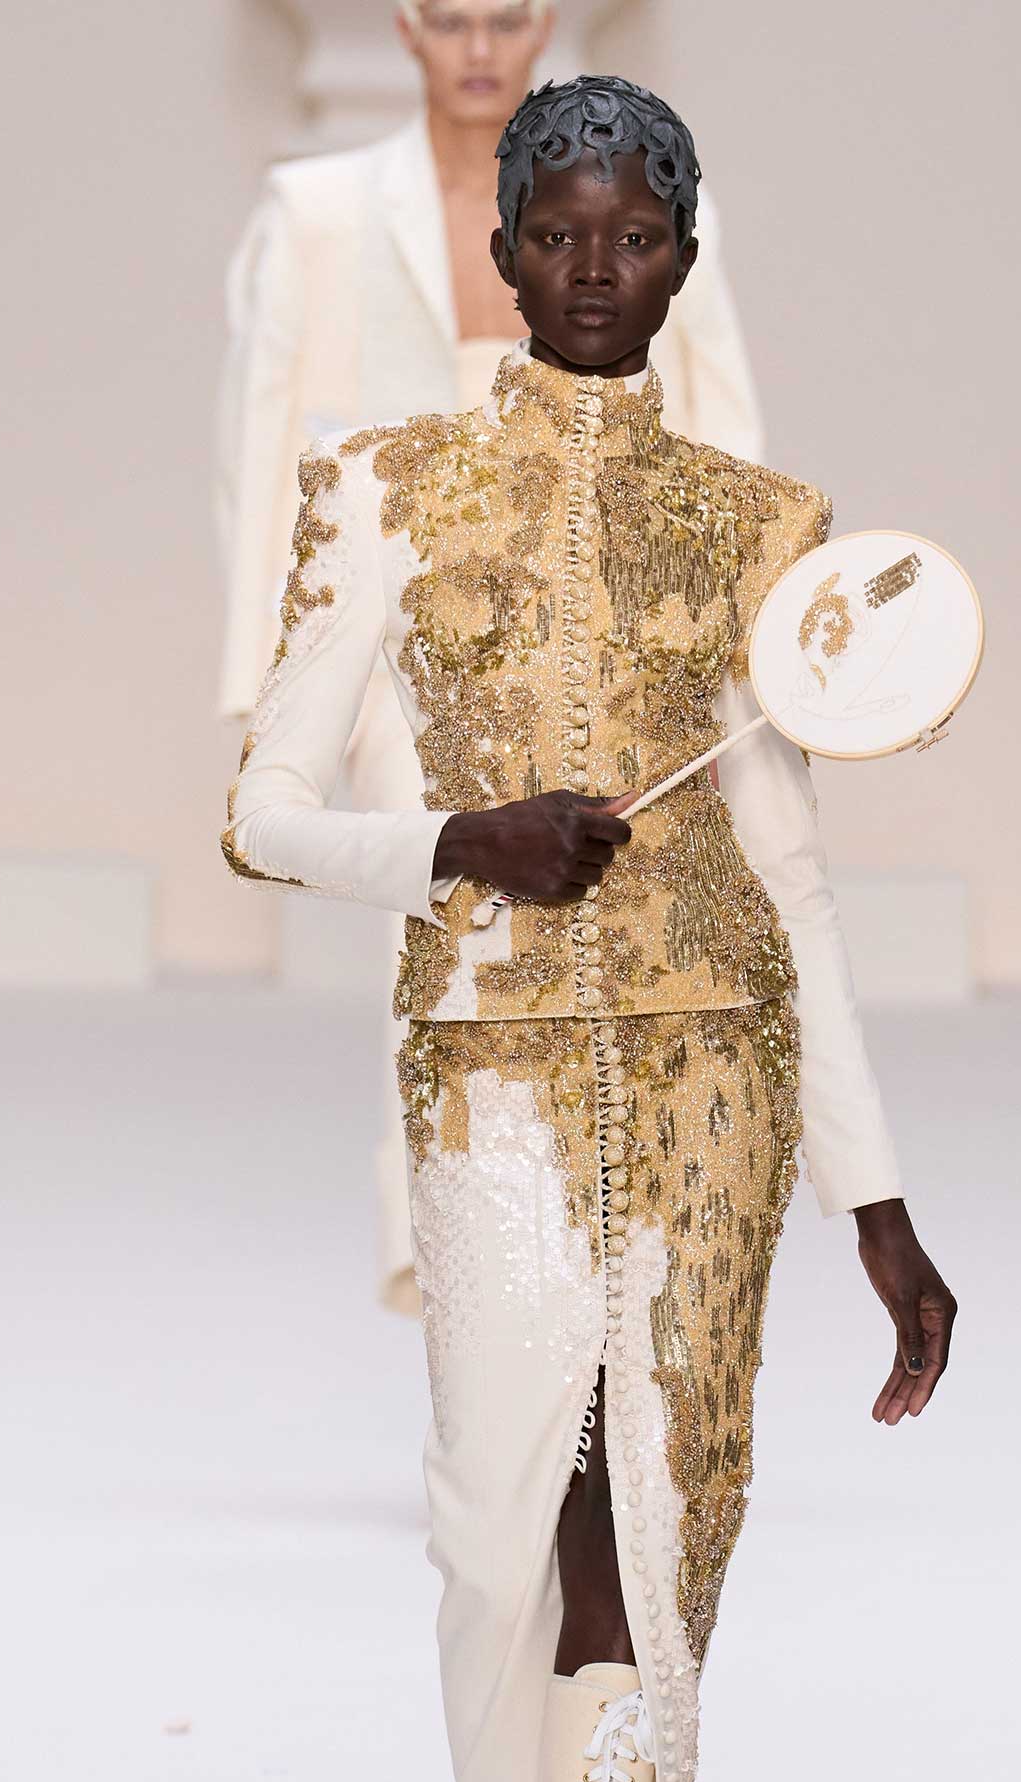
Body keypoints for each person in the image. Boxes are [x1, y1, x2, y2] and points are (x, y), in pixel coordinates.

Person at [221, 73, 956, 1782]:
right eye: (559, 232)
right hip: (491, 1075)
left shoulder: (759, 526)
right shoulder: (387, 487)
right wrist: (460, 841)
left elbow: (789, 871)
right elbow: (263, 811)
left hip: (719, 1070)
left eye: (638, 236)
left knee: (640, 1556)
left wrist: (875, 1203)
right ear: (506, 254)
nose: (597, 270)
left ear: (684, 255)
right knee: (488, 1563)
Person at [218, 6, 765, 1311]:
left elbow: (720, 419)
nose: (478, 46)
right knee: (451, 903)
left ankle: (591, 1250)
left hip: (611, 613)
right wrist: (273, 688)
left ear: (544, 24)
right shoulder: (317, 211)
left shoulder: (651, 200)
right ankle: (447, 1242)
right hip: (402, 635)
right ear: (406, 25)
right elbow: (261, 446)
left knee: (610, 919)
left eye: (504, 15)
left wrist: (734, 656)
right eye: (450, 16)